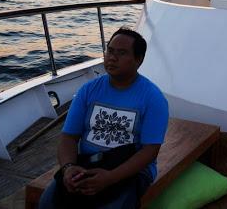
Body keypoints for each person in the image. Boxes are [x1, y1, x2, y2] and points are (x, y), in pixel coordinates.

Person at [39, 28, 169, 209]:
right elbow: (69, 137)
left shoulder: (153, 98)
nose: (112, 57)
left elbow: (150, 152)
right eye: (110, 51)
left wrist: (110, 178)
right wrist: (68, 167)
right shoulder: (88, 90)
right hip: (89, 163)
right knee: (47, 203)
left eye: (122, 53)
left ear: (138, 60)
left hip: (129, 171)